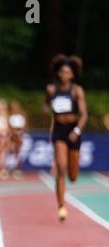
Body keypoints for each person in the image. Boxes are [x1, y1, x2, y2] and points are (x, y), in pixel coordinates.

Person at [44, 54, 88, 222]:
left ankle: (70, 177)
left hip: (73, 130)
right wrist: (46, 108)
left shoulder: (77, 90)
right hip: (59, 131)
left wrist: (77, 130)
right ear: (58, 73)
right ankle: (61, 206)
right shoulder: (51, 89)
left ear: (72, 75)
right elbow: (46, 104)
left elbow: (84, 114)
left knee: (73, 176)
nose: (64, 75)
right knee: (61, 169)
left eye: (67, 72)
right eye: (62, 72)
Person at [7, 99, 28, 179]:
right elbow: (9, 126)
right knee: (9, 151)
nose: (14, 108)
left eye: (16, 106)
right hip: (12, 136)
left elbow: (25, 126)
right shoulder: (10, 115)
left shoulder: (22, 114)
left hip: (20, 135)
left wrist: (20, 133)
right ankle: (8, 168)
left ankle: (18, 169)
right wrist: (13, 134)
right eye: (13, 106)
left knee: (18, 152)